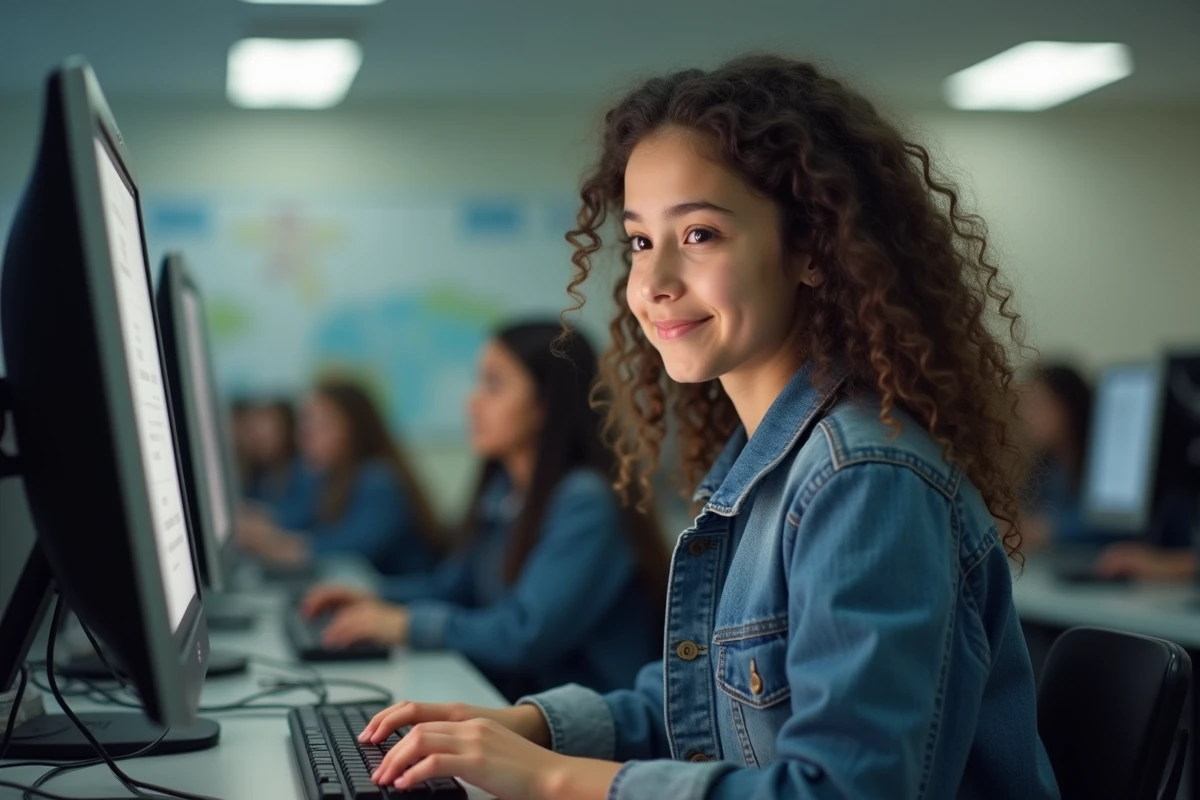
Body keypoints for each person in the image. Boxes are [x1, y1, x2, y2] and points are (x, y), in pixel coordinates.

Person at [353, 56, 1061, 799]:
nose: (654, 283)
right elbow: (704, 706)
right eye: (638, 241)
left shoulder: (862, 478)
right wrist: (526, 726)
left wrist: (554, 779)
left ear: (812, 250)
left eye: (698, 235)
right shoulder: (758, 465)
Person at [302, 322, 670, 700]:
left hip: (590, 725)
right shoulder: (507, 491)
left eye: (493, 385)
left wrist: (405, 624)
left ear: (547, 403)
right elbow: (456, 588)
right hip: (522, 704)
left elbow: (525, 634)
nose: (471, 402)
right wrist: (375, 598)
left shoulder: (585, 502)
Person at [236, 379, 441, 576]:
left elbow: (348, 549)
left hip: (408, 601)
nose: (304, 436)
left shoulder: (379, 482)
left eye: (318, 426)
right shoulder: (333, 480)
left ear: (351, 429)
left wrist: (273, 542)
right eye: (304, 425)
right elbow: (298, 521)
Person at [1018, 363, 1095, 548]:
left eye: (1038, 404)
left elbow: (1106, 522)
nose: (1026, 416)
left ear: (1068, 407)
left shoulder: (1102, 464)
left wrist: (1046, 530)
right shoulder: (1048, 469)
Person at [241, 397, 309, 517]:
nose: (258, 439)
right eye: (253, 431)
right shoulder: (259, 473)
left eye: (266, 432)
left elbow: (297, 517)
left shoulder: (304, 472)